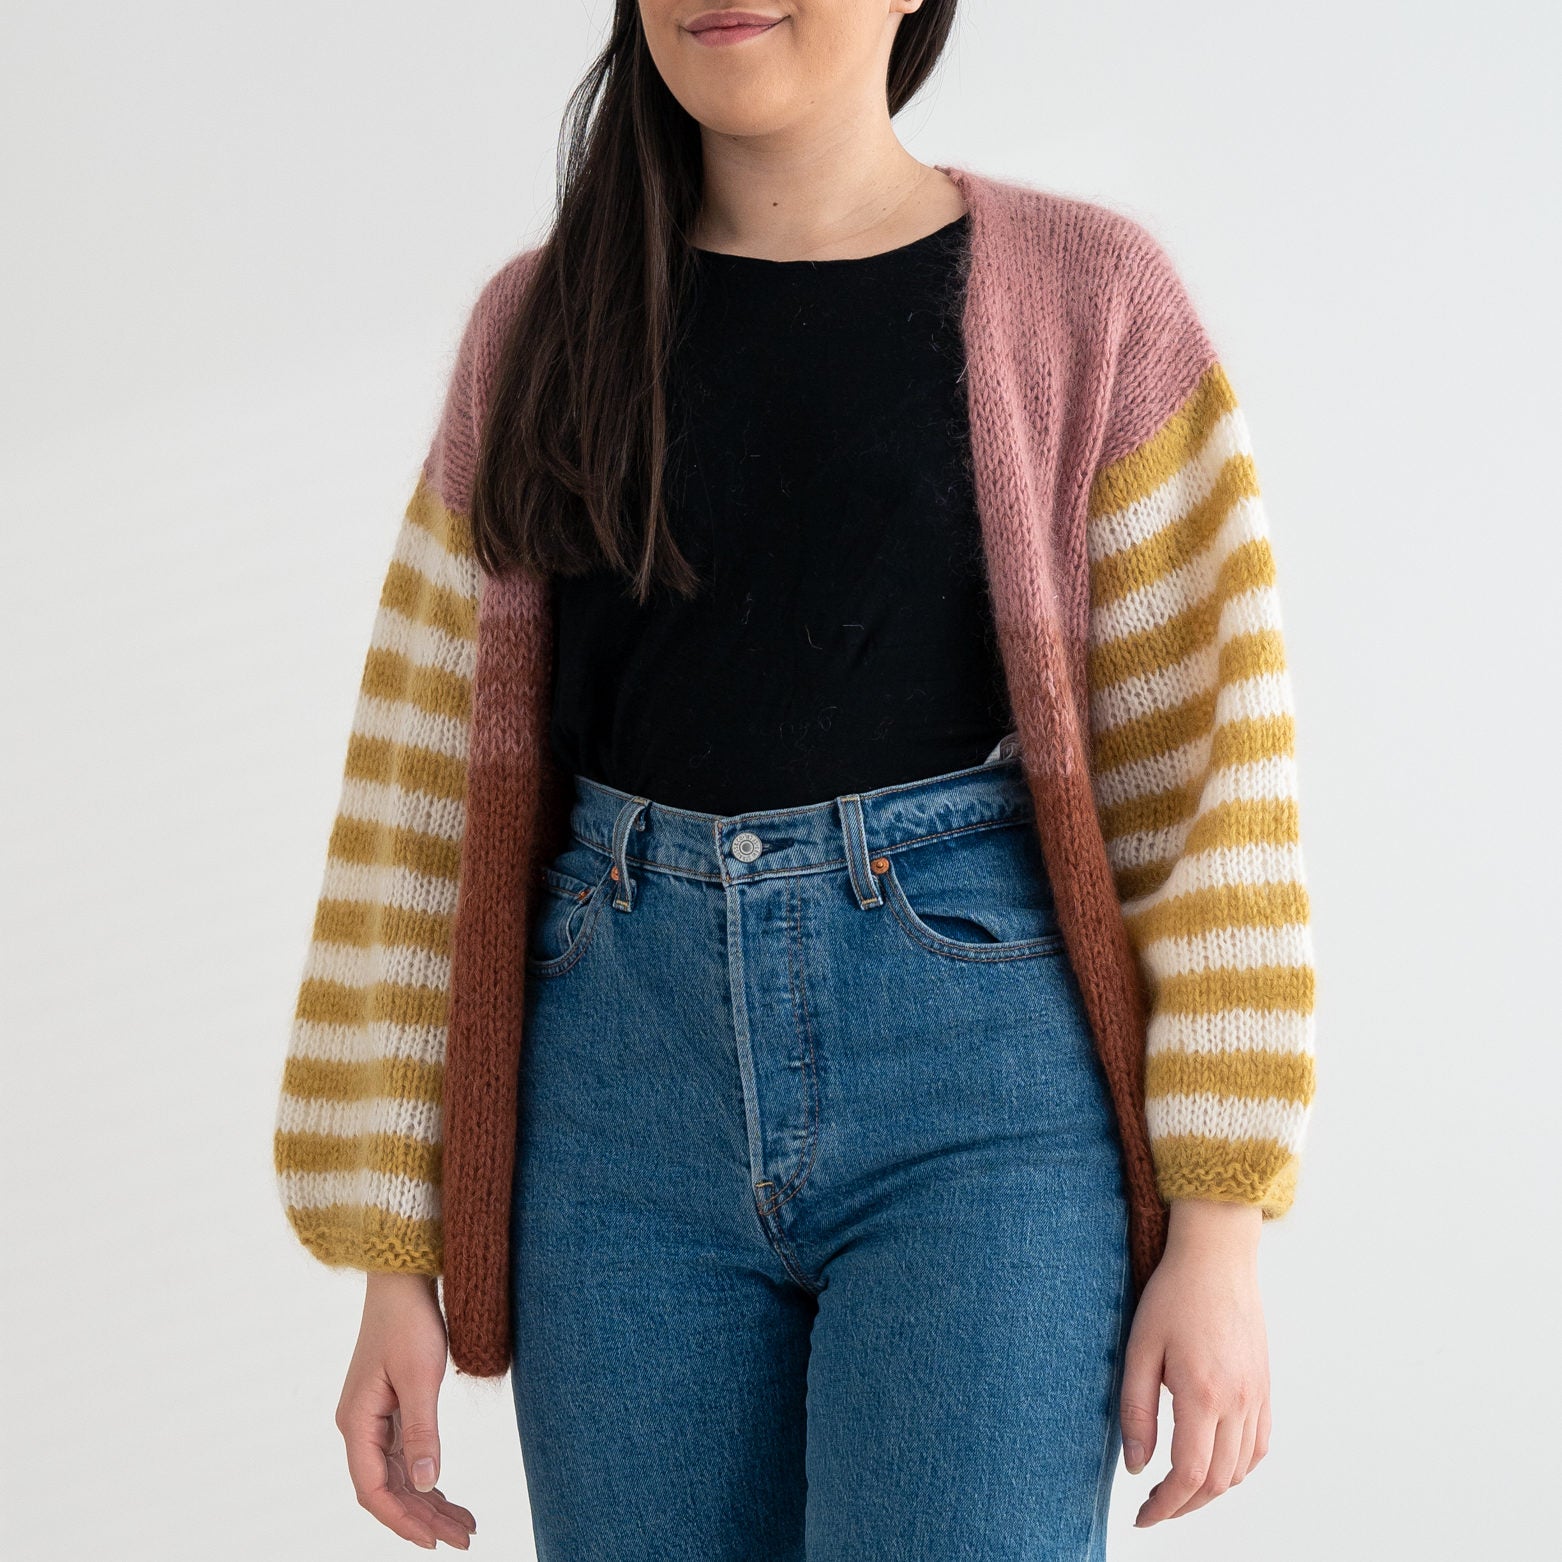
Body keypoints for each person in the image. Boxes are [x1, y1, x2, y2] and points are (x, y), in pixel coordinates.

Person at [273, 3, 1317, 1555]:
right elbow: (419, 797)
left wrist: (1217, 1232)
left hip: (980, 1112)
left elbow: (1208, 781)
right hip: (614, 1120)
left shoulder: (1088, 300)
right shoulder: (536, 328)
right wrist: (389, 1257)